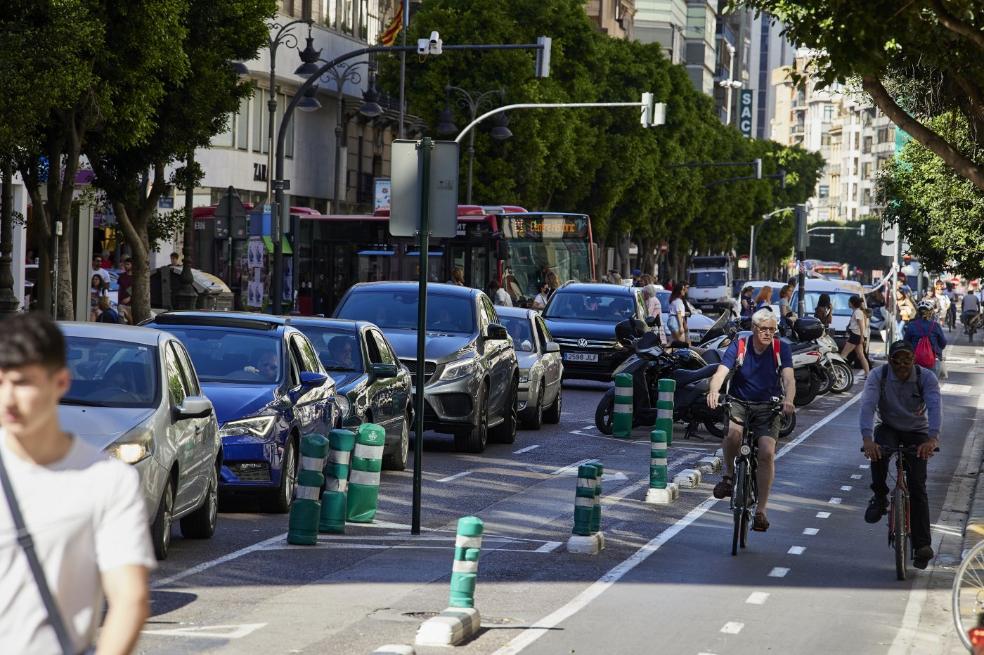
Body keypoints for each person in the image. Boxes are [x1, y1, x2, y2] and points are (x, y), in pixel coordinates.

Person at [0, 313, 154, 654]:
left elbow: (130, 600)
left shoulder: (107, 481)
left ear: (60, 383)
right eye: (0, 383)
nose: (9, 399)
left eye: (24, 382)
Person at [706, 308, 796, 532]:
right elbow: (721, 372)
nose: (768, 334)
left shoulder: (780, 347)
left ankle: (761, 511)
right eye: (764, 329)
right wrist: (714, 391)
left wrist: (789, 400)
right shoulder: (740, 344)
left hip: (768, 406)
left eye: (772, 330)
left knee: (766, 452)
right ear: (754, 329)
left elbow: (789, 378)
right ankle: (728, 477)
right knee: (733, 435)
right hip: (739, 401)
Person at [859, 340, 941, 569]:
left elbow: (935, 408)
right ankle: (879, 495)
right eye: (897, 361)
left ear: (914, 360)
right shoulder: (879, 376)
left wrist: (932, 439)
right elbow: (867, 405)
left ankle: (923, 545)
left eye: (907, 360)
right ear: (890, 360)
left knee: (918, 486)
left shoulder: (926, 378)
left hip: (917, 431)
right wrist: (867, 440)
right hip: (889, 426)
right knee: (879, 450)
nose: (902, 366)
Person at [905, 299, 947, 377]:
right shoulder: (935, 326)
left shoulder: (911, 325)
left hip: (915, 360)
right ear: (930, 313)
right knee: (932, 385)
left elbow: (906, 343)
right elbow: (943, 343)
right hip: (932, 360)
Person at [841, 295, 871, 379]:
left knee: (843, 355)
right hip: (857, 335)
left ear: (852, 303)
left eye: (849, 302)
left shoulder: (857, 312)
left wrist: (862, 337)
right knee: (861, 356)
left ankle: (839, 372)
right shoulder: (857, 311)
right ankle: (868, 374)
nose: (848, 303)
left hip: (855, 335)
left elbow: (861, 325)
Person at [117, 256, 133, 324]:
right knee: (121, 316)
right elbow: (120, 289)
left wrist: (129, 298)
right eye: (125, 264)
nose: (126, 266)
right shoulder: (122, 276)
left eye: (128, 264)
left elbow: (135, 290)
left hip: (132, 304)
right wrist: (119, 301)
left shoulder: (136, 277)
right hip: (122, 303)